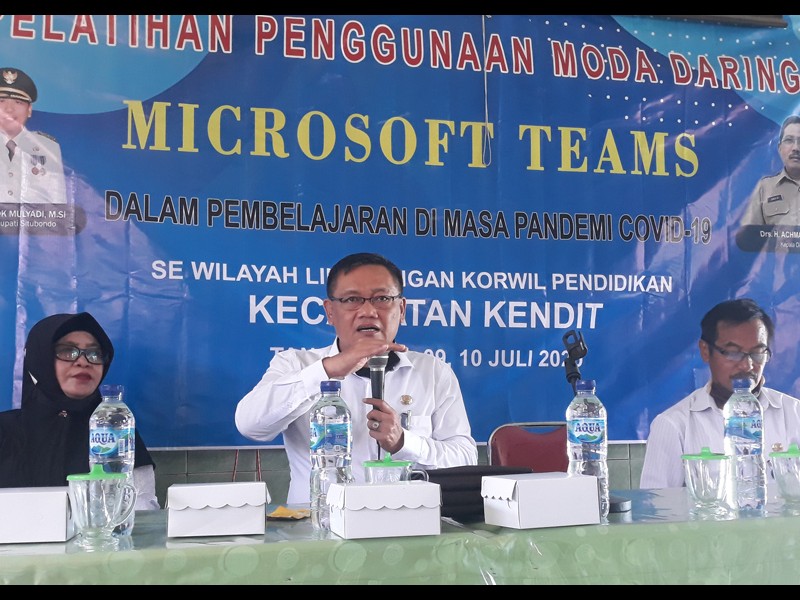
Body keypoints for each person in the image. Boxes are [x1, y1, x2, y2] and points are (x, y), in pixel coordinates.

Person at [235, 251, 478, 504]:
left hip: (409, 517)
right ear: (330, 311)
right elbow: (250, 425)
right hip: (320, 521)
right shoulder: (296, 364)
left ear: (401, 308)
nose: (368, 311)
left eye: (382, 298)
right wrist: (328, 370)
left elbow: (465, 457)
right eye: (352, 299)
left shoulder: (433, 372)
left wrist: (405, 442)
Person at [0, 312, 160, 510]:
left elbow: (143, 509)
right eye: (67, 351)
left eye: (94, 353)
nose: (83, 361)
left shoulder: (116, 428)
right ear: (39, 357)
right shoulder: (5, 431)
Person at [640, 298, 800, 488]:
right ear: (705, 351)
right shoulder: (674, 425)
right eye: (732, 352)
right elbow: (657, 504)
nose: (747, 365)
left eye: (757, 353)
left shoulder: (795, 414)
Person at [0, 66, 67, 204]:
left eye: (18, 102)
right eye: (1, 101)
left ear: (29, 110)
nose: (9, 109)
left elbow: (57, 205)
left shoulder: (48, 147)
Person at [740, 115, 800, 226]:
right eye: (789, 140)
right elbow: (749, 233)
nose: (796, 148)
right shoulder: (765, 188)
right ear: (780, 148)